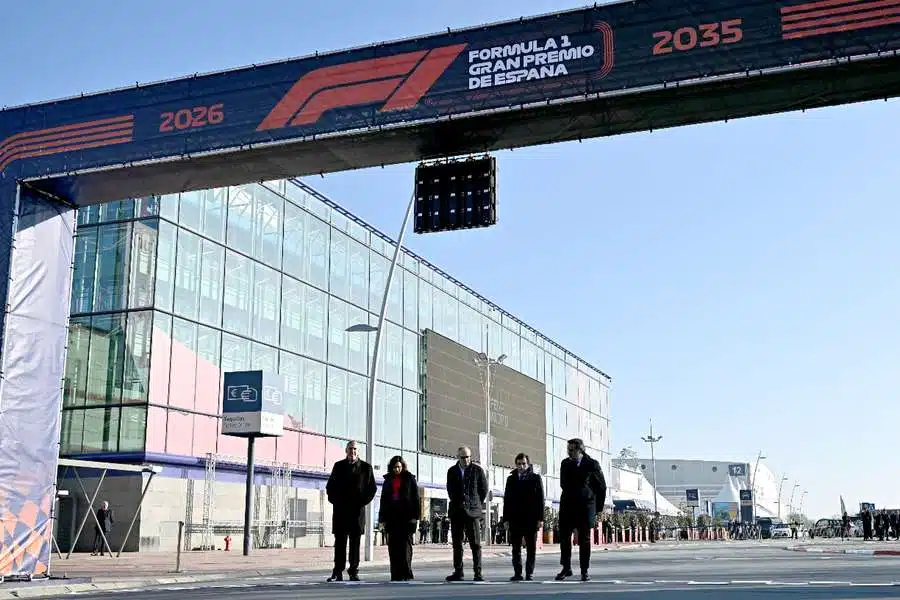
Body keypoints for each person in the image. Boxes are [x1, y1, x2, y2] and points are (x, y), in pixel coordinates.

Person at [325, 440, 377, 582]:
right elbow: (330, 487)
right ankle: (338, 571)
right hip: (341, 511)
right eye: (350, 448)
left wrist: (361, 502)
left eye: (355, 449)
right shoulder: (338, 466)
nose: (352, 451)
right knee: (340, 543)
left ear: (358, 451)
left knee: (355, 543)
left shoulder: (366, 468)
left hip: (357, 512)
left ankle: (353, 571)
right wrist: (336, 501)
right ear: (346, 450)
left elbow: (372, 489)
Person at [556, 437, 606, 582]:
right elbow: (563, 484)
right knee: (565, 538)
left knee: (584, 539)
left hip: (586, 507)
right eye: (568, 450)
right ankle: (566, 568)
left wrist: (598, 508)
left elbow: (601, 487)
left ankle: (584, 570)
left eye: (572, 450)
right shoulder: (565, 464)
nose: (569, 452)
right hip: (567, 505)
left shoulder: (592, 464)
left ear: (580, 450)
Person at [445, 446, 488, 582]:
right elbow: (450, 490)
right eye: (463, 457)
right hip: (457, 512)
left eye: (468, 457)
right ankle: (458, 572)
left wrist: (475, 503)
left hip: (472, 512)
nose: (466, 460)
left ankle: (478, 572)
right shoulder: (452, 471)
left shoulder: (477, 470)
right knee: (457, 544)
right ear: (458, 457)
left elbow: (483, 489)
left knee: (475, 544)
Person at [502, 453, 544, 581]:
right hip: (515, 519)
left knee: (531, 548)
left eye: (523, 464)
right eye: (519, 464)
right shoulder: (511, 479)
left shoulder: (535, 478)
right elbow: (507, 500)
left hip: (531, 519)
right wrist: (506, 519)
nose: (521, 466)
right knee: (516, 549)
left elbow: (540, 499)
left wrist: (540, 519)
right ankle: (517, 573)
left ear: (528, 464)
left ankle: (529, 573)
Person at [378, 455, 421, 581]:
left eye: (399, 467)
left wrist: (416, 518)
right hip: (391, 517)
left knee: (405, 546)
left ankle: (406, 573)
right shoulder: (388, 480)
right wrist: (382, 519)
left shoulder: (410, 478)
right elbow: (383, 500)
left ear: (403, 467)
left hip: (406, 517)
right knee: (393, 546)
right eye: (395, 467)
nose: (397, 469)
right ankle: (396, 574)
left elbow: (416, 498)